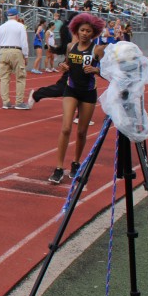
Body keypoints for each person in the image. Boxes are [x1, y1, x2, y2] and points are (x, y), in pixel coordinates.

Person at [48, 13, 107, 184]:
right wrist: (63, 66)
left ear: (93, 33)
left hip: (88, 92)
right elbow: (67, 64)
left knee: (81, 131)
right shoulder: (70, 46)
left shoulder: (97, 50)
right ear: (76, 30)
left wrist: (96, 70)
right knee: (66, 128)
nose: (85, 34)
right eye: (82, 30)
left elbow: (108, 72)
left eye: (88, 31)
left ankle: (75, 163)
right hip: (71, 90)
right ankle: (59, 168)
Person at [0, 8, 29, 109]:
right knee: (20, 77)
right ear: (16, 16)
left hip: (3, 52)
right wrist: (26, 55)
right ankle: (19, 102)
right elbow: (24, 42)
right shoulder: (20, 26)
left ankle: (6, 102)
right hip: (16, 51)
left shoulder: (2, 27)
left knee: (4, 78)